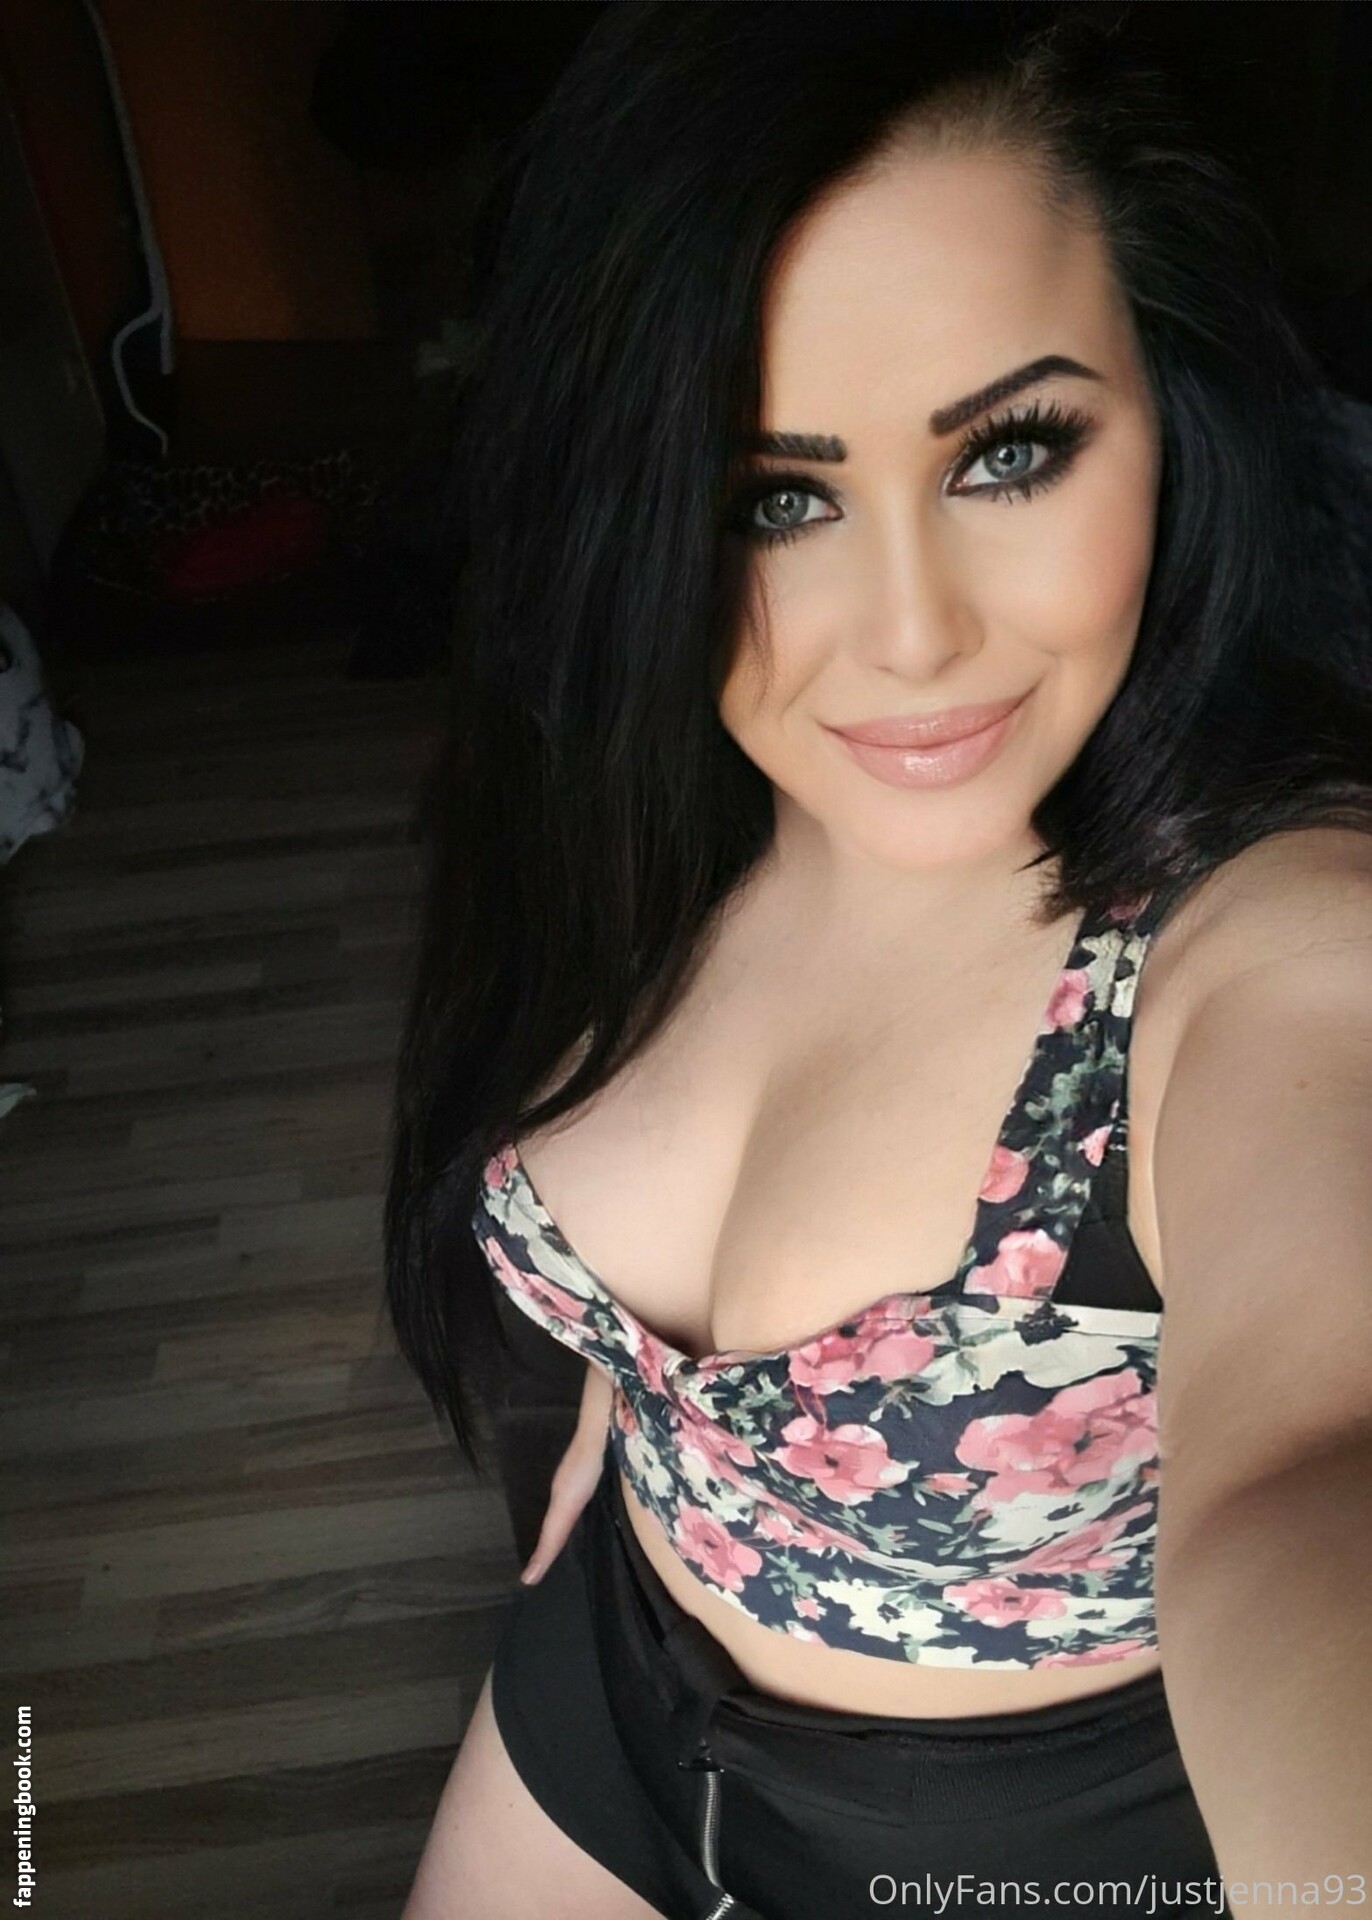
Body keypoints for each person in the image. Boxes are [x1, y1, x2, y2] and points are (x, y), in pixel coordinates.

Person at [384, 5, 1372, 1915]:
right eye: (775, 496)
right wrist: (646, 1399)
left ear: (1170, 408)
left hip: (1016, 1851)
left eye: (1010, 454)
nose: (912, 638)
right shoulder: (658, 796)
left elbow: (1317, 1472)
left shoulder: (1276, 951)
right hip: (613, 1670)